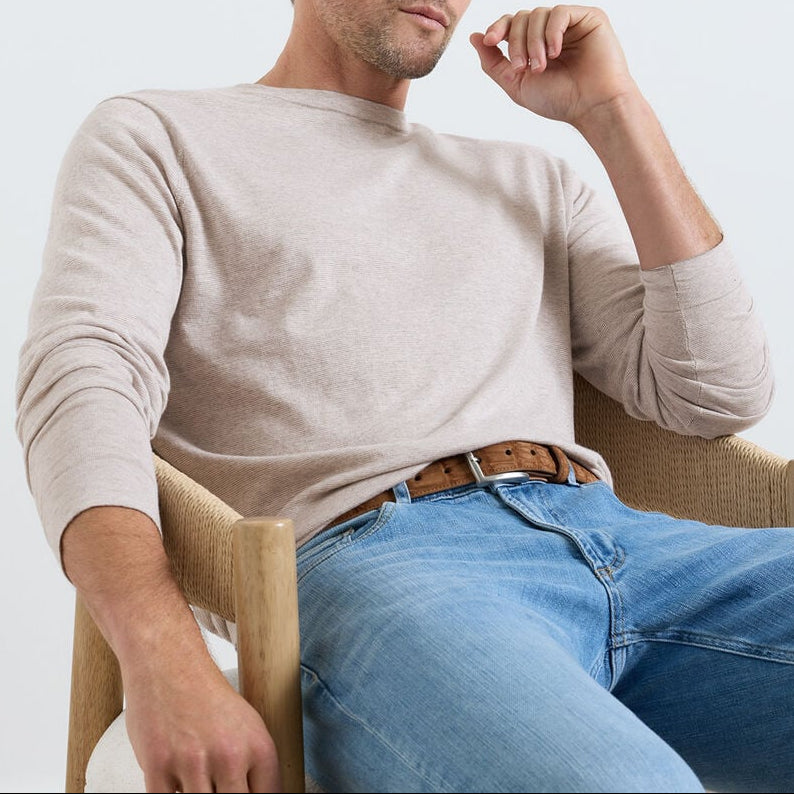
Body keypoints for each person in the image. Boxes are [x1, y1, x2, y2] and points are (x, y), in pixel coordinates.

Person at [15, 1, 794, 792]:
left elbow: (718, 392)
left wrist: (615, 114)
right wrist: (160, 651)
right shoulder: (158, 138)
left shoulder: (533, 179)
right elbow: (82, 382)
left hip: (632, 543)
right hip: (383, 569)